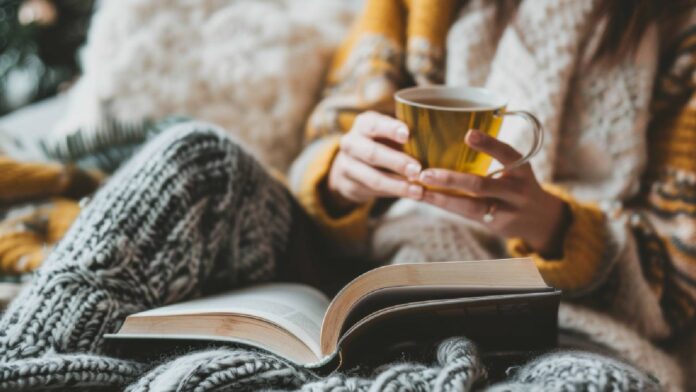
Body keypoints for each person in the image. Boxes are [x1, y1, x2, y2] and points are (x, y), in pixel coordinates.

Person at [0, 0, 694, 390]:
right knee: (197, 158)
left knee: (599, 391)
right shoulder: (411, 9)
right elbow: (322, 144)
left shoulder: (678, 32)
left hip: (550, 319)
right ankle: (21, 368)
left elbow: (683, 273)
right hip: (345, 273)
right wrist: (341, 175)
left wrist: (554, 225)